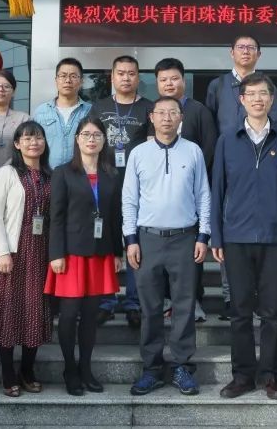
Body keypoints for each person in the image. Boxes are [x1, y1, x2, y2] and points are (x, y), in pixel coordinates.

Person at [210, 72, 277, 401]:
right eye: (252, 94)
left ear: (272, 99)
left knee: (272, 312)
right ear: (242, 100)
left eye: (264, 94)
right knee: (240, 311)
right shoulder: (227, 140)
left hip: (275, 237)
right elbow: (217, 190)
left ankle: (271, 375)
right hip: (236, 237)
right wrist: (216, 237)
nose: (258, 99)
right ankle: (243, 376)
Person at [122, 96, 211, 397]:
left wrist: (203, 235)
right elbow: (129, 199)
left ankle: (183, 366)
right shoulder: (139, 153)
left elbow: (203, 195)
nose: (167, 118)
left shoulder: (193, 151)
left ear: (181, 117)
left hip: (185, 238)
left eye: (173, 112)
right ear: (151, 117)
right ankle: (152, 368)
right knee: (150, 307)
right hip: (148, 239)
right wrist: (130, 239)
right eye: (161, 113)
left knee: (184, 305)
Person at [46, 116, 124, 396]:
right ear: (77, 139)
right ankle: (70, 369)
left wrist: (117, 252)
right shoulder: (63, 172)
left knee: (91, 316)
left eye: (97, 135)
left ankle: (86, 368)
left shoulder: (112, 174)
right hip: (71, 255)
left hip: (100, 254)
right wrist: (56, 253)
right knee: (68, 315)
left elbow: (115, 217)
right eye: (86, 135)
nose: (92, 139)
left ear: (104, 141)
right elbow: (56, 217)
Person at [0, 121, 54, 397]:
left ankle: (27, 370)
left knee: (34, 310)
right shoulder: (7, 173)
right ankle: (7, 373)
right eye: (27, 138)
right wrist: (3, 251)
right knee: (8, 310)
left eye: (38, 138)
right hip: (13, 250)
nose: (33, 143)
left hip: (41, 250)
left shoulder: (50, 175)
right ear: (17, 144)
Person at [154, 57, 217, 322]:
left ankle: (194, 301)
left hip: (190, 196)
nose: (169, 84)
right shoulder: (155, 111)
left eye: (174, 78)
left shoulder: (199, 111)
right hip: (159, 200)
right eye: (163, 79)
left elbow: (210, 149)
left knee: (192, 254)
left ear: (184, 80)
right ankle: (166, 301)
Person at [91, 56, 152, 327]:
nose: (126, 78)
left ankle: (133, 302)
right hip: (106, 184)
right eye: (121, 73)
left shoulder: (149, 108)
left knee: (135, 244)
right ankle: (106, 300)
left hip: (139, 188)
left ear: (138, 77)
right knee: (106, 244)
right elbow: (90, 143)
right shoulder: (99, 107)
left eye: (131, 73)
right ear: (112, 77)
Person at [206, 35, 277, 137]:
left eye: (251, 48)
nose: (245, 51)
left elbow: (275, 122)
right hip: (226, 144)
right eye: (240, 47)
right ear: (232, 53)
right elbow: (209, 125)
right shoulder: (217, 85)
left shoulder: (268, 87)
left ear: (258, 54)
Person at [32, 58, 92, 169]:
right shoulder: (41, 112)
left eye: (73, 76)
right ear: (56, 80)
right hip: (48, 174)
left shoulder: (90, 111)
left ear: (81, 81)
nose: (68, 80)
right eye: (63, 76)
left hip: (81, 174)